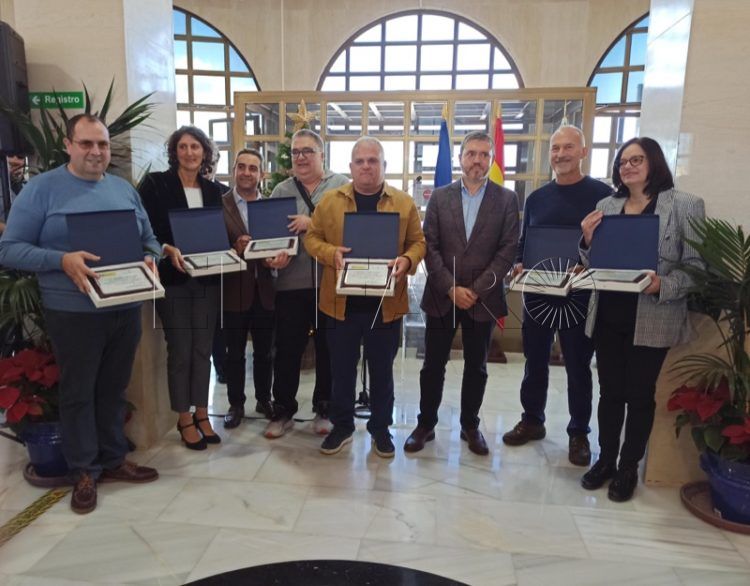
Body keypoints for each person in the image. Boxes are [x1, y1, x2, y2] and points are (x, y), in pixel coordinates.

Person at [0, 114, 159, 514]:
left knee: (113, 388)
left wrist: (150, 258)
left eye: (102, 144)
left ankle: (113, 459)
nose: (96, 152)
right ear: (68, 145)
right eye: (86, 143)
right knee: (78, 392)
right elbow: (10, 249)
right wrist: (61, 259)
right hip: (73, 311)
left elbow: (149, 239)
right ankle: (83, 471)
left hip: (125, 306)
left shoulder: (123, 190)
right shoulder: (42, 190)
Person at [579, 136, 705, 502]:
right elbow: (591, 263)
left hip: (653, 316)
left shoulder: (684, 205)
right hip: (608, 313)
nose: (628, 166)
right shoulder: (606, 205)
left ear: (654, 162)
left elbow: (697, 269)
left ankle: (628, 467)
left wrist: (663, 284)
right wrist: (586, 241)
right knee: (609, 392)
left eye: (636, 160)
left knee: (639, 395)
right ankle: (605, 460)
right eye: (623, 161)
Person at [305, 136, 426, 457]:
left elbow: (418, 242)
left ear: (384, 166)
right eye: (360, 161)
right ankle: (342, 426)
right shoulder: (330, 201)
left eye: (373, 161)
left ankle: (380, 429)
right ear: (351, 167)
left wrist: (407, 260)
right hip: (339, 305)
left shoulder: (404, 203)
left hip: (385, 306)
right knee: (341, 371)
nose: (366, 167)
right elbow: (312, 238)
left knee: (382, 372)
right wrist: (330, 253)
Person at [403, 131, 519, 456]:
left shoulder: (507, 199)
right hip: (443, 295)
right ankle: (425, 424)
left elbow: (508, 250)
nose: (477, 160)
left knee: (477, 366)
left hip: (484, 298)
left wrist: (476, 290)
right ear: (460, 158)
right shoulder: (440, 197)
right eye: (471, 154)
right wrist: (451, 287)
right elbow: (429, 246)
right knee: (432, 365)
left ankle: (470, 425)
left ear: (491, 160)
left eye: (484, 155)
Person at [502, 126, 611, 466]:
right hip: (539, 293)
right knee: (534, 361)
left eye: (568, 147)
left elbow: (609, 246)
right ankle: (532, 419)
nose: (561, 154)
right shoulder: (536, 198)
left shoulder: (603, 196)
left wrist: (586, 263)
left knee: (578, 365)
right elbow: (524, 242)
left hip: (579, 295)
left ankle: (578, 432)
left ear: (583, 152)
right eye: (555, 148)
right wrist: (518, 263)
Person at [139, 126, 225, 450]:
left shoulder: (214, 190)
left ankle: (202, 412)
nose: (190, 152)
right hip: (171, 279)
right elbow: (143, 227)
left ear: (205, 152)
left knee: (203, 348)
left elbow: (219, 232)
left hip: (206, 279)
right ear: (174, 152)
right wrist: (164, 248)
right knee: (180, 349)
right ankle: (184, 417)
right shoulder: (156, 184)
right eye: (183, 146)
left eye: (196, 146)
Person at [263, 129, 348, 439]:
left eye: (307, 151)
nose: (300, 157)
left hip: (330, 283)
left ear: (321, 155)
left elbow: (347, 229)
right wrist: (271, 258)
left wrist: (311, 223)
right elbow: (270, 236)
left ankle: (324, 408)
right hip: (291, 284)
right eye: (296, 152)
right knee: (287, 350)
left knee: (329, 349)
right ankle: (283, 410)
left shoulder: (341, 187)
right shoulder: (281, 190)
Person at [221, 149, 276, 429]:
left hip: (265, 291)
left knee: (265, 352)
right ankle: (236, 404)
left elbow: (279, 242)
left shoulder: (270, 207)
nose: (246, 172)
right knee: (235, 353)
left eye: (253, 168)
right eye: (241, 167)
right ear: (234, 171)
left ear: (261, 174)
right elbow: (211, 248)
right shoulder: (220, 205)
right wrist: (234, 248)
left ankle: (264, 399)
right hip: (234, 291)